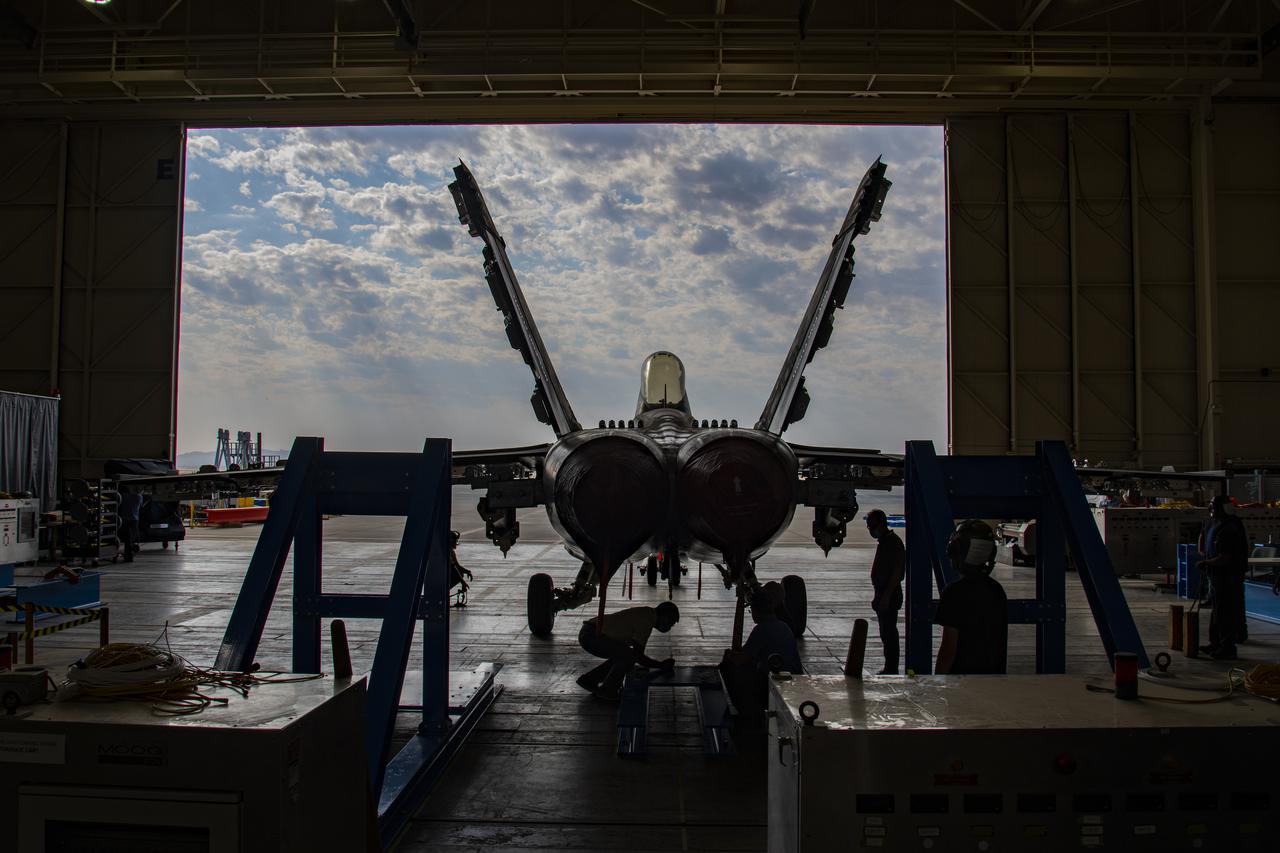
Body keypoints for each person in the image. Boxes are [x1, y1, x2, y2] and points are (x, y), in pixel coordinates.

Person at [934, 519, 1008, 674]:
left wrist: (939, 679)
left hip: (961, 680)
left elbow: (948, 648)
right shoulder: (996, 590)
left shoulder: (954, 593)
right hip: (993, 679)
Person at [577, 601, 679, 700]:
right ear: (665, 617)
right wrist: (661, 665)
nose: (669, 626)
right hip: (592, 636)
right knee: (629, 656)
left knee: (623, 654)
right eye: (670, 623)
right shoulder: (646, 621)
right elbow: (638, 656)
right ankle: (608, 690)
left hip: (589, 632)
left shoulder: (647, 614)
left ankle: (590, 680)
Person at [1198, 495, 1248, 659]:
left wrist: (1207, 562)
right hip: (1216, 575)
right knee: (1217, 611)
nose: (1211, 509)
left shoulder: (1229, 529)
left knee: (1226, 611)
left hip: (1228, 576)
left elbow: (1225, 558)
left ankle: (1228, 647)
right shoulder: (1214, 524)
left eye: (1214, 506)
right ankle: (1216, 642)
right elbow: (1204, 544)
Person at [865, 509, 905, 674]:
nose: (870, 530)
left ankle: (891, 668)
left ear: (881, 524)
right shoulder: (886, 541)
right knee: (886, 632)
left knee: (889, 633)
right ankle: (890, 666)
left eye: (872, 526)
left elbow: (897, 573)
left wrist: (886, 596)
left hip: (890, 594)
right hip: (883, 593)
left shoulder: (892, 543)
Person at [736, 584, 803, 674]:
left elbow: (743, 658)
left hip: (776, 677)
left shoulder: (761, 630)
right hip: (792, 675)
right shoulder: (784, 626)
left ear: (756, 610)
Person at [117, 484, 143, 563]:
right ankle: (130, 554)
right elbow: (140, 506)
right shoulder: (139, 496)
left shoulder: (122, 496)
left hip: (124, 519)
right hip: (134, 520)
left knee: (127, 539)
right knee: (132, 538)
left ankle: (128, 556)